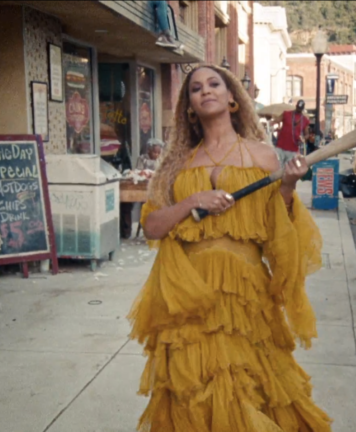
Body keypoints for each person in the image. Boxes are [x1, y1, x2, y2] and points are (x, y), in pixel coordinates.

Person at [129, 65, 332, 431]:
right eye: (196, 88)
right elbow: (153, 226)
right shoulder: (177, 163)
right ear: (189, 106)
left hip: (244, 293)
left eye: (214, 84)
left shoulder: (262, 156)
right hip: (187, 295)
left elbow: (275, 229)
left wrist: (287, 186)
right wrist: (193, 200)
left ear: (232, 98)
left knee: (247, 389)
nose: (205, 91)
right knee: (191, 394)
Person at [274, 100, 311, 166]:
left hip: (293, 149)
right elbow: (275, 121)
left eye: (300, 109)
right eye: (298, 107)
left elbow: (307, 134)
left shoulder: (305, 120)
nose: (298, 110)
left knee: (288, 168)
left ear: (302, 109)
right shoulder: (286, 114)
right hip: (280, 146)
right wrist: (268, 124)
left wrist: (303, 138)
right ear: (296, 106)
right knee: (277, 166)